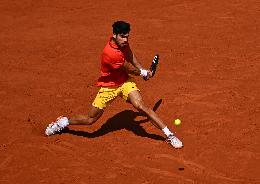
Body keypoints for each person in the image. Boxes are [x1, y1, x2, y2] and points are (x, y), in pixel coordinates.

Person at [45, 21, 183, 149]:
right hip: (109, 86)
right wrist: (143, 73)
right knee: (90, 119)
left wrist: (144, 71)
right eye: (122, 37)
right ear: (114, 35)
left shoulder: (123, 43)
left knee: (140, 106)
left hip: (124, 82)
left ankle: (169, 134)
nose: (125, 40)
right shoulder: (110, 53)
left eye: (127, 37)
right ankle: (62, 122)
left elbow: (130, 56)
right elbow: (129, 68)